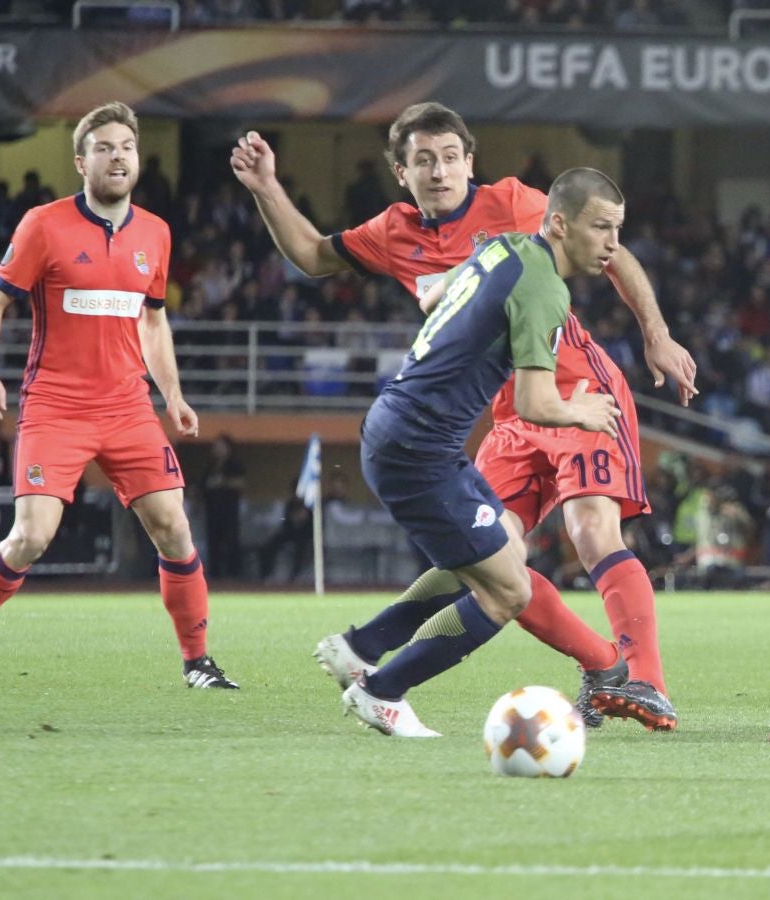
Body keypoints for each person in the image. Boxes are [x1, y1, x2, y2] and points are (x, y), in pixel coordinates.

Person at [231, 101, 696, 731]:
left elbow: (606, 246)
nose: (440, 171)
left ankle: (643, 681)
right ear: (402, 173)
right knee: (488, 557)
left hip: (577, 393)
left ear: (470, 162)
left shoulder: (514, 205)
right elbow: (313, 256)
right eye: (424, 161)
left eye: (451, 157)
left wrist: (656, 334)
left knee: (590, 532)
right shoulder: (395, 232)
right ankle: (595, 668)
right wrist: (266, 187)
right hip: (509, 409)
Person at [0, 101, 238, 690]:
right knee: (30, 536)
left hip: (128, 408)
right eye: (104, 148)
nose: (117, 157)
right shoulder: (43, 225)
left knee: (175, 529)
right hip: (56, 407)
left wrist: (173, 395)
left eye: (127, 147)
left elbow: (152, 321)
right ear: (81, 161)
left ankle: (197, 662)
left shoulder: (156, 232)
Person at [340, 167, 624, 736]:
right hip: (420, 447)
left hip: (405, 428)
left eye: (617, 229)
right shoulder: (546, 289)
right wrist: (582, 411)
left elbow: (433, 296)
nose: (612, 244)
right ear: (560, 224)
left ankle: (360, 648)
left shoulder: (504, 247)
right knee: (508, 590)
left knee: (497, 553)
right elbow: (535, 403)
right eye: (600, 228)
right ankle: (381, 691)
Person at [200, 433, 246, 578]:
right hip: (212, 509)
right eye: (216, 446)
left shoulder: (234, 464)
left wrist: (222, 482)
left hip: (229, 509)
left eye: (220, 446)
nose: (217, 449)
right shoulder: (211, 465)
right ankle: (215, 574)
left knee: (231, 541)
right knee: (213, 541)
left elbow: (240, 483)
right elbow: (203, 484)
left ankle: (234, 574)